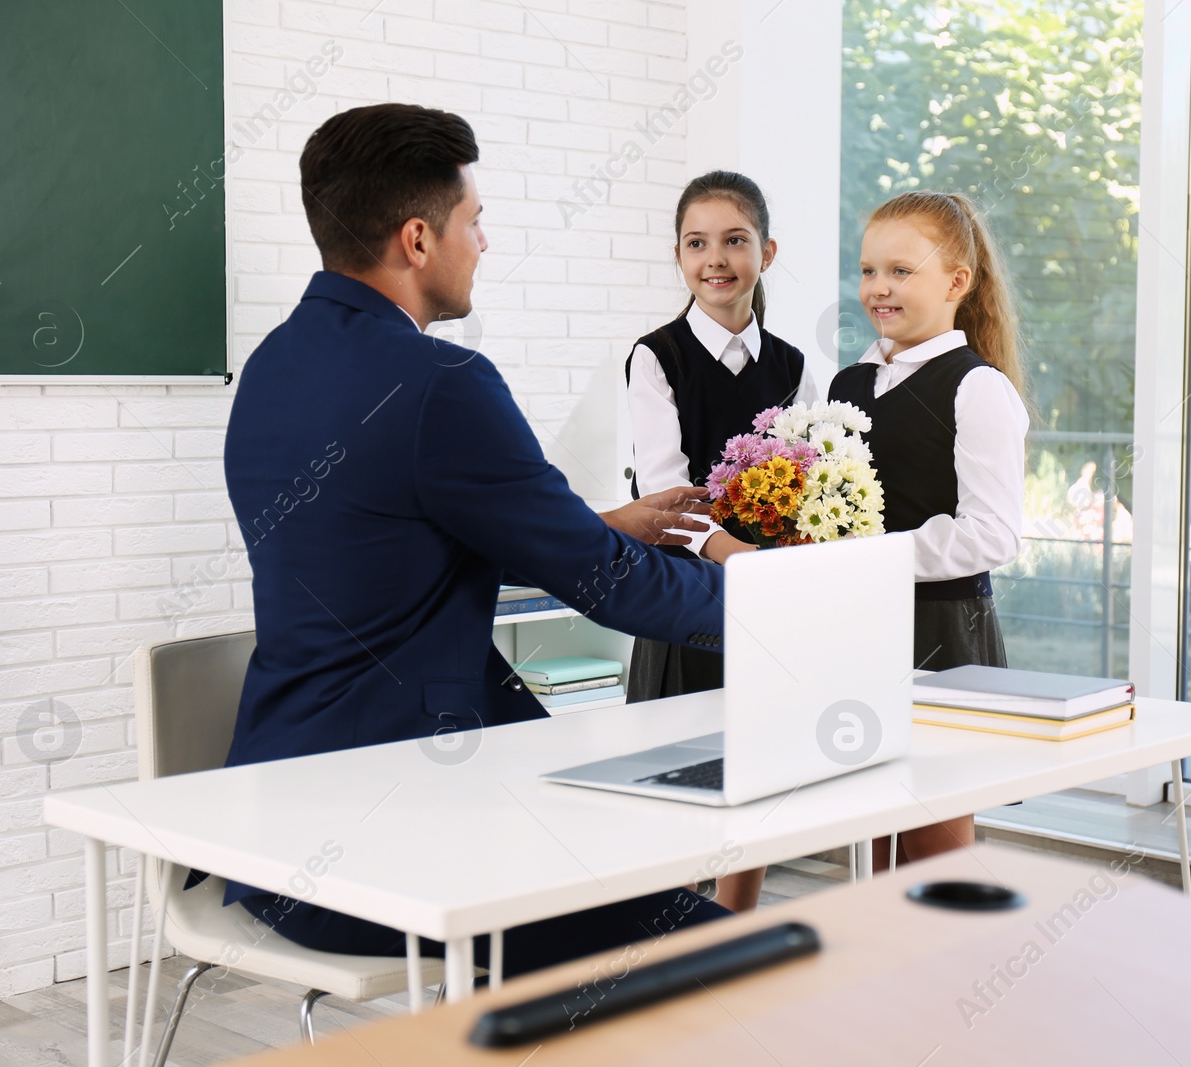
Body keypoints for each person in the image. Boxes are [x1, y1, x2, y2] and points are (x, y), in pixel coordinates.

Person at [214, 103, 739, 977]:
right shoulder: (440, 380)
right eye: (475, 220)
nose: (483, 243)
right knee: (712, 943)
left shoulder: (273, 362)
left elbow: (382, 545)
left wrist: (590, 525)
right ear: (418, 239)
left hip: (277, 821)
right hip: (397, 834)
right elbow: (610, 586)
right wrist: (776, 599)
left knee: (643, 873)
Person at [624, 171, 815, 912]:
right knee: (679, 782)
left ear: (766, 251)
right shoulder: (656, 357)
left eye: (735, 241)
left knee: (755, 774)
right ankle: (667, 936)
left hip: (766, 599)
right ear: (677, 255)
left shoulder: (793, 365)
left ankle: (732, 928)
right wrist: (735, 555)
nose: (716, 258)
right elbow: (666, 498)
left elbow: (807, 477)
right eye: (697, 243)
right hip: (684, 595)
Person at [828, 190, 1030, 868]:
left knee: (934, 845)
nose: (877, 288)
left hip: (940, 628)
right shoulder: (845, 384)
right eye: (867, 271)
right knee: (872, 835)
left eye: (899, 271)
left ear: (956, 282)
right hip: (858, 625)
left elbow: (993, 533)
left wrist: (872, 559)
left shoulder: (978, 389)